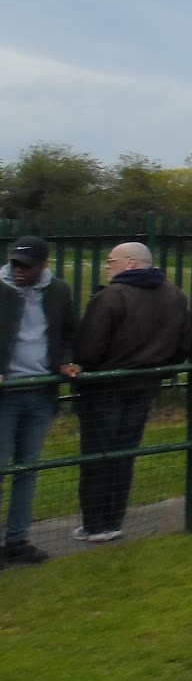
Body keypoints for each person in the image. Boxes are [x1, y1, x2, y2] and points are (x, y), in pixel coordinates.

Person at [73, 242, 190, 543]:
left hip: (105, 387)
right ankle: (114, 520)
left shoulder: (111, 296)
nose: (107, 266)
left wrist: (86, 368)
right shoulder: (174, 295)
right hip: (145, 385)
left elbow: (89, 348)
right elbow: (182, 345)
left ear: (130, 264)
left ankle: (95, 524)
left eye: (111, 260)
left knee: (99, 455)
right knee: (125, 453)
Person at [0, 236, 79, 565]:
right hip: (5, 394)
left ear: (43, 265)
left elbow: (68, 333)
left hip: (41, 391)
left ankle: (17, 540)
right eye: (15, 263)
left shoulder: (59, 291)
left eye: (26, 266)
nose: (19, 270)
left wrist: (65, 360)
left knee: (28, 469)